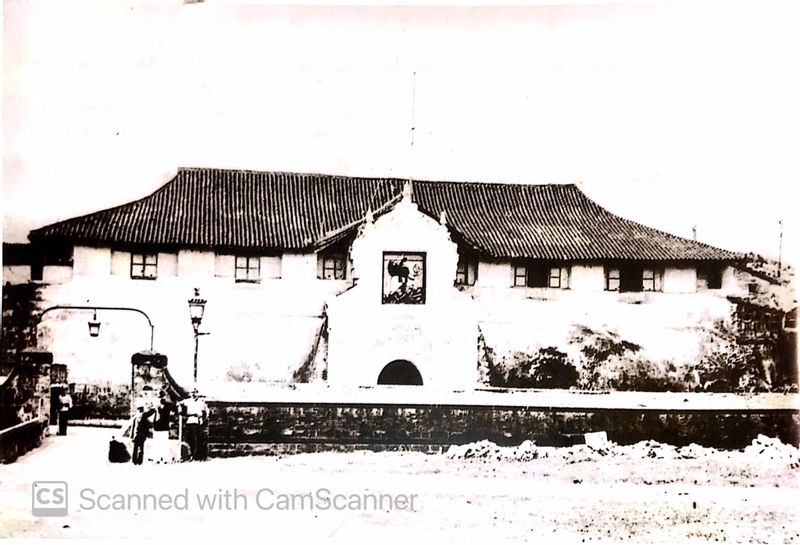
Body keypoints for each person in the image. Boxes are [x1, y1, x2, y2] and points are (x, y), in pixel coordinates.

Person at [180, 389, 209, 461]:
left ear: (197, 393)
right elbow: (179, 403)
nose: (193, 394)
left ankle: (198, 455)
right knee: (190, 439)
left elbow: (207, 411)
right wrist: (180, 409)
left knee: (197, 439)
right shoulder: (188, 401)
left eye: (195, 392)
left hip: (197, 421)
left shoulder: (201, 402)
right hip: (189, 421)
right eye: (192, 392)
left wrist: (204, 419)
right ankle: (191, 455)